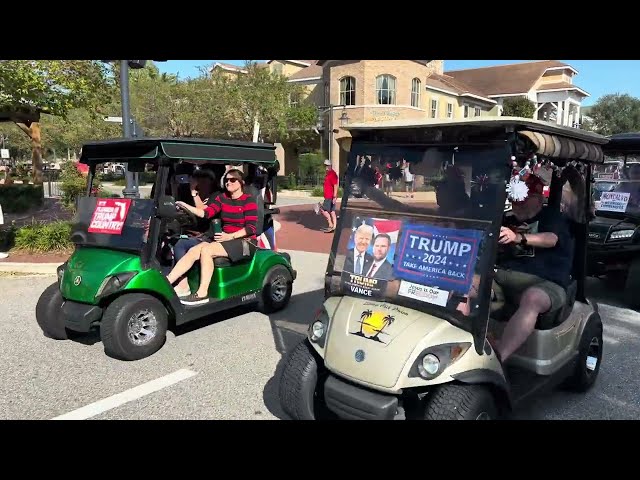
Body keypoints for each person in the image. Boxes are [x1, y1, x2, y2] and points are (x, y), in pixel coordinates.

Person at [491, 173, 574, 362]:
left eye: (521, 201)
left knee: (533, 298)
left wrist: (518, 237)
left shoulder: (552, 217)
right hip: (504, 277)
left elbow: (551, 239)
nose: (515, 205)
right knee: (469, 284)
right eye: (513, 200)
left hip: (545, 281)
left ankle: (498, 359)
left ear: (537, 200)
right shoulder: (507, 219)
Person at [166, 169, 259, 305]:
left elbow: (251, 228)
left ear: (241, 183)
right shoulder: (222, 198)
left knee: (207, 250)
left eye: (233, 180)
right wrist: (185, 205)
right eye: (227, 180)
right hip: (225, 239)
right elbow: (206, 213)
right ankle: (167, 282)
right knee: (194, 251)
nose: (229, 183)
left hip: (245, 242)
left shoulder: (248, 200)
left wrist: (230, 236)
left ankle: (202, 293)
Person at [170, 168, 218, 297]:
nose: (201, 184)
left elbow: (203, 212)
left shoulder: (215, 196)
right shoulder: (194, 195)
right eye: (199, 181)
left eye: (204, 181)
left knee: (181, 244)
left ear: (211, 182)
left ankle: (183, 282)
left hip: (210, 234)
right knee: (169, 238)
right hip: (194, 230)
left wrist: (193, 193)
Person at [318, 159, 339, 233]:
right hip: (328, 196)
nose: (326, 167)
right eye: (325, 165)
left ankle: (330, 224)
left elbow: (335, 186)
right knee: (332, 211)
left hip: (329, 197)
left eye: (327, 165)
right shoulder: (328, 174)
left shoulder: (332, 174)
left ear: (330, 166)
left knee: (323, 209)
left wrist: (334, 196)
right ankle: (334, 227)